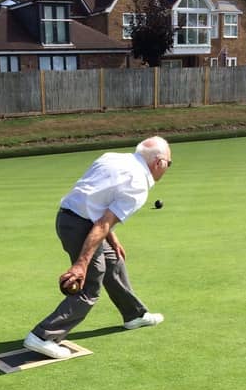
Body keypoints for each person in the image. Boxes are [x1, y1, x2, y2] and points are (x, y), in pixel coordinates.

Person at [23, 136, 172, 359]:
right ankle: (43, 336)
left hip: (67, 218)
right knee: (89, 286)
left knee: (114, 260)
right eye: (169, 163)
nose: (167, 168)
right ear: (159, 163)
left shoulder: (112, 157)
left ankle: (134, 314)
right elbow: (102, 223)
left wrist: (112, 240)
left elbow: (95, 202)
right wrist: (81, 264)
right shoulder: (139, 185)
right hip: (81, 227)